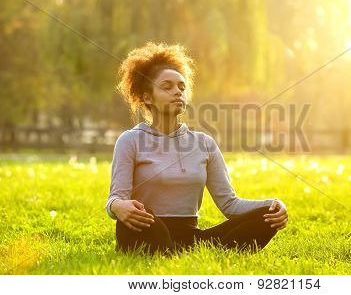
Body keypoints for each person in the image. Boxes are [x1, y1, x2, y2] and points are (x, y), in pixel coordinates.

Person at [105, 42, 288, 256]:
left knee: (267, 215)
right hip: (146, 229)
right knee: (147, 226)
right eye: (167, 87)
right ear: (147, 97)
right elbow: (116, 198)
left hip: (191, 238)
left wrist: (274, 205)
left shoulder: (204, 144)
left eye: (181, 87)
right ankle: (166, 250)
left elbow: (229, 204)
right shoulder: (130, 140)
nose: (177, 92)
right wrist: (118, 207)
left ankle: (174, 252)